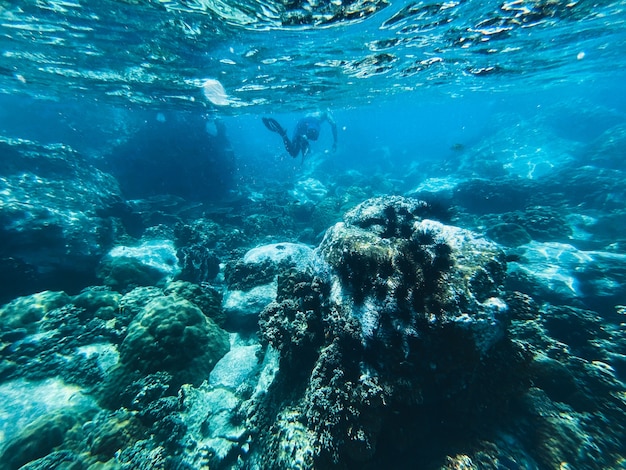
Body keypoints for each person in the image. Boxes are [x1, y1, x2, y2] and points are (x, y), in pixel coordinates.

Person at [262, 110, 337, 159]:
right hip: (312, 122)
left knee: (293, 153)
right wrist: (335, 142)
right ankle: (302, 138)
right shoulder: (325, 112)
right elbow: (334, 124)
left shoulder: (314, 109)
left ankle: (283, 134)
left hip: (301, 124)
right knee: (315, 137)